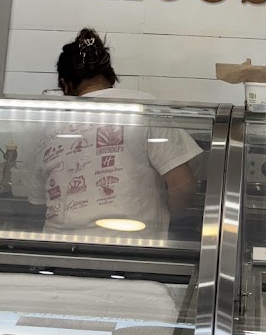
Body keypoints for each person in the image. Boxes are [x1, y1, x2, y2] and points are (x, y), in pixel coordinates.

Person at [28, 29, 201, 234]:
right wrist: (171, 220)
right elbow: (183, 185)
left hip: (58, 252)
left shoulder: (48, 121)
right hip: (130, 249)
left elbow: (37, 203)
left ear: (65, 85)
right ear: (111, 76)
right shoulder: (144, 107)